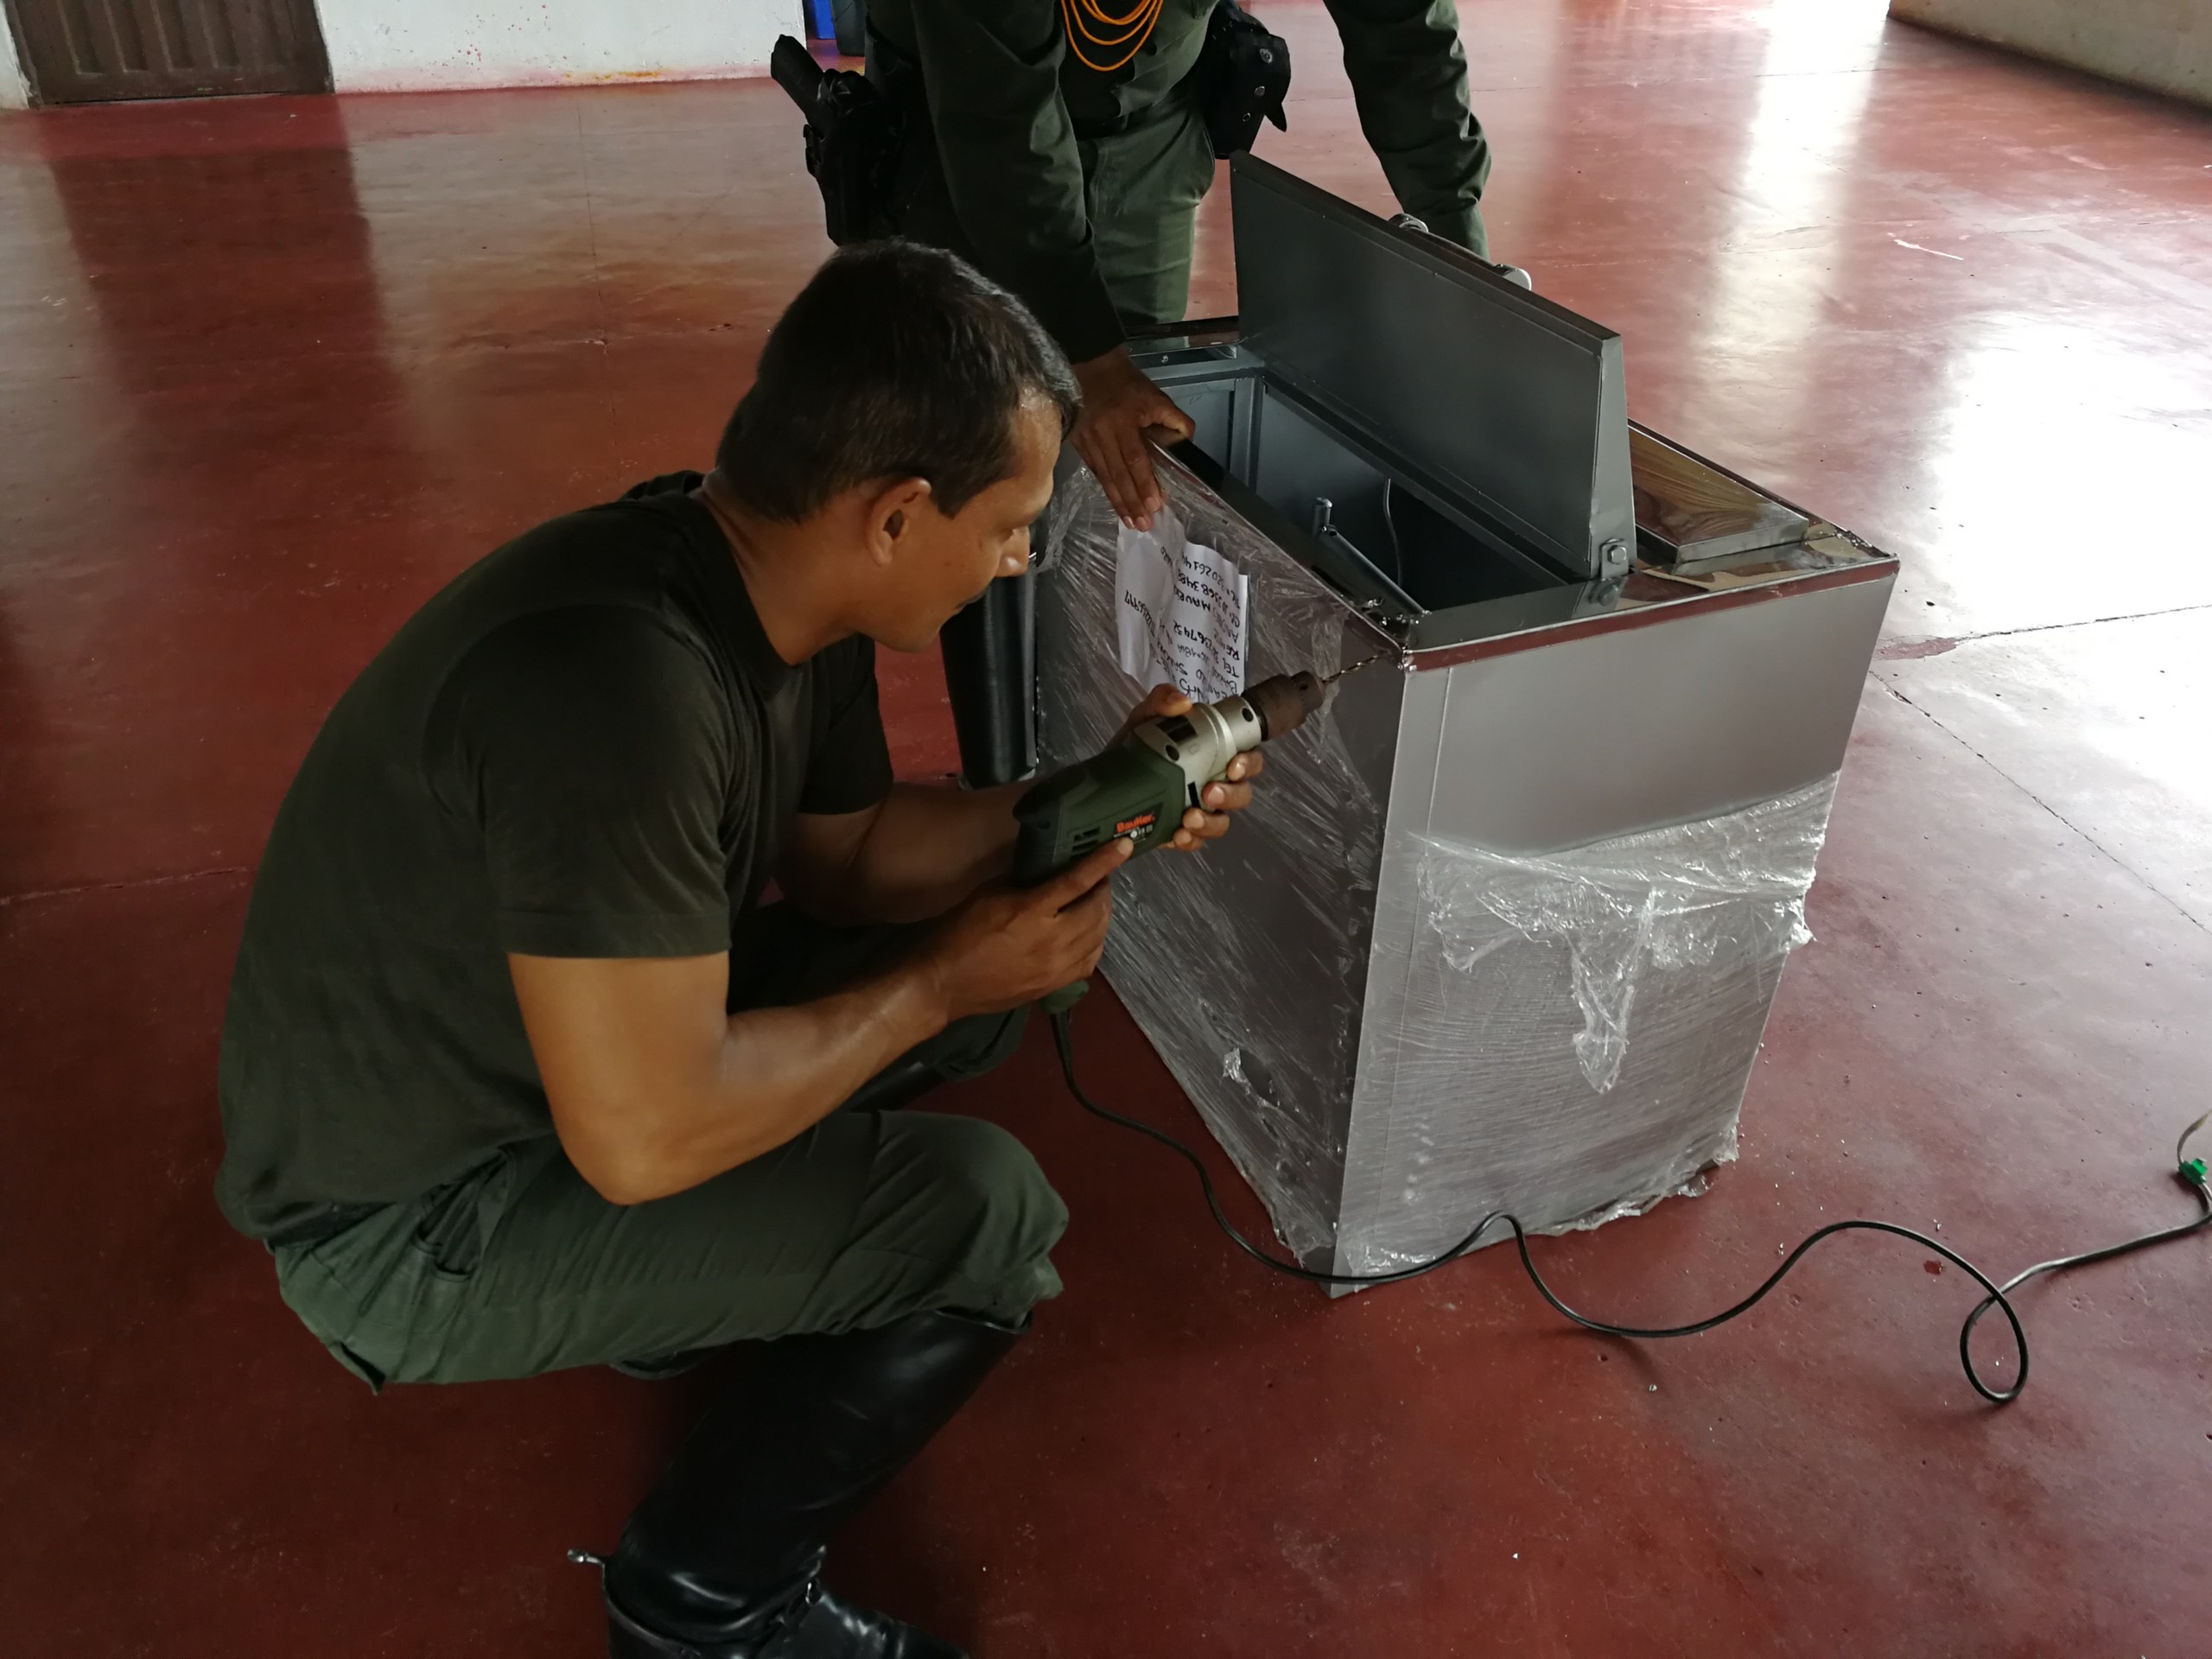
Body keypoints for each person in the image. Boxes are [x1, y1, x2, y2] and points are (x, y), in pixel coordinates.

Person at [213, 241, 1267, 1659]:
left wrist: (1101, 788)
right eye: (1012, 524)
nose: (1022, 556)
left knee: (983, 971)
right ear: (897, 515)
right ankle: (705, 1605)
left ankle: (690, 1279)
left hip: (539, 1067)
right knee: (979, 1214)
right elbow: (641, 1141)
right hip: (408, 1217)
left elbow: (846, 857)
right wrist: (946, 980)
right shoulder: (625, 698)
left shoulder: (767, 581)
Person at [861, 0, 1497, 530]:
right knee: (970, 470)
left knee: (1127, 465)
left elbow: (1403, 31)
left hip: (1151, 133)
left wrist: (1457, 238)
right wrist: (1088, 352)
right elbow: (999, 122)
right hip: (953, 135)